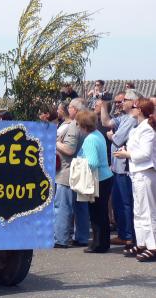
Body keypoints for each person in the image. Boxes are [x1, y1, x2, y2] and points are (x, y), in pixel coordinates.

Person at [114, 98, 156, 261]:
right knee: (138, 211)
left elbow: (145, 154)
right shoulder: (139, 128)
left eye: (134, 107)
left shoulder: (147, 129)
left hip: (145, 172)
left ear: (140, 110)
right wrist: (126, 149)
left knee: (148, 211)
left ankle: (153, 246)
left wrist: (127, 154)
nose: (131, 109)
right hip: (137, 173)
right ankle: (142, 243)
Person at [100, 89, 141, 246]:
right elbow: (106, 123)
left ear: (132, 102)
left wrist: (111, 136)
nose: (121, 104)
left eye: (125, 100)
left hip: (124, 168)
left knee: (124, 202)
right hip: (117, 166)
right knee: (118, 201)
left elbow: (117, 139)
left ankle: (128, 235)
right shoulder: (123, 117)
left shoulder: (131, 120)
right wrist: (104, 105)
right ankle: (124, 233)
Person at [76, 110, 114, 253]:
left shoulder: (90, 139)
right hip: (106, 177)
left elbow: (92, 162)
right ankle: (104, 242)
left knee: (96, 213)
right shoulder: (98, 134)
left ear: (83, 125)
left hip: (98, 179)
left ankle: (98, 244)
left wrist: (80, 162)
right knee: (102, 212)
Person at [54, 98, 89, 248]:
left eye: (70, 107)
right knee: (80, 206)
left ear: (74, 109)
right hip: (81, 169)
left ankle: (61, 239)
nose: (68, 109)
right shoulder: (86, 125)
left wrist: (54, 141)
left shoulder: (74, 125)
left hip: (67, 170)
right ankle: (82, 237)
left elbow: (69, 149)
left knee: (63, 206)